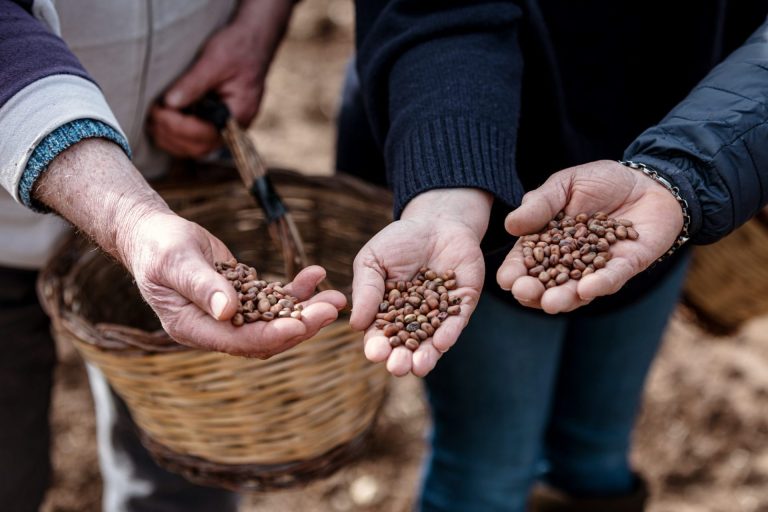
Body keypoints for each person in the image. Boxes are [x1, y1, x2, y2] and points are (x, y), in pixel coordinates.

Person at [341, 1, 768, 511]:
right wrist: (446, 186)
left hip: (671, 168)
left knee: (596, 456)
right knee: (486, 469)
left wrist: (694, 170)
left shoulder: (668, 188)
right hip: (471, 170)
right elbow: (433, 11)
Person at [0, 1, 345, 510]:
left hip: (181, 193)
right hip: (35, 213)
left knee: (183, 477)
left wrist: (257, 27)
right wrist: (131, 220)